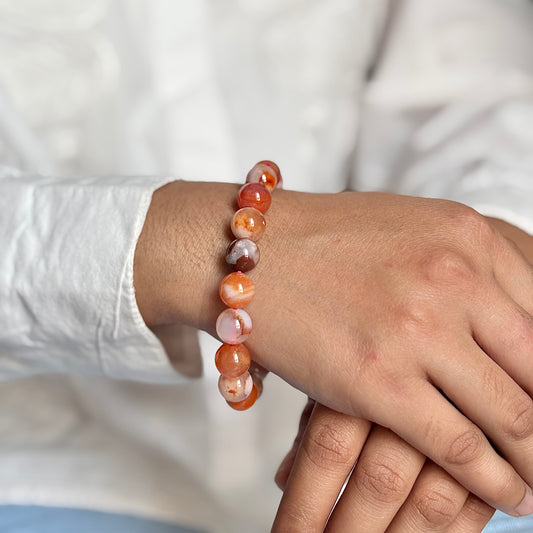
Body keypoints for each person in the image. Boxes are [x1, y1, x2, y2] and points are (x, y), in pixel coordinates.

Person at [1, 1, 533, 532]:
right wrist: (171, 244)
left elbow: (468, 78)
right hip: (39, 471)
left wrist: (482, 267)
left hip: (397, 416)